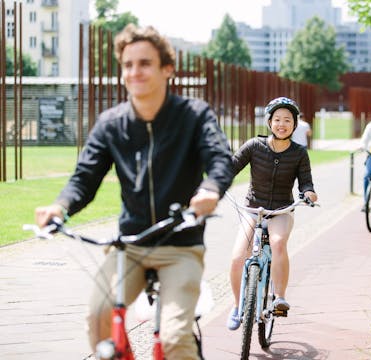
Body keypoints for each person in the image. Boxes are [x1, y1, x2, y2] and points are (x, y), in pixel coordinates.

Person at [34, 24, 233, 359]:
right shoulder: (111, 123)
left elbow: (219, 159)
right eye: (127, 65)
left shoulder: (194, 116)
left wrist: (210, 189)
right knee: (98, 318)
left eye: (144, 63)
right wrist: (60, 206)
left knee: (173, 338)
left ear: (166, 69)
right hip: (130, 247)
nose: (134, 72)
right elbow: (85, 177)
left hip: (180, 246)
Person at [226, 96, 318, 330]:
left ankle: (279, 298)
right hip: (253, 209)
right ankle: (237, 308)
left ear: (295, 125)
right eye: (277, 119)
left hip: (281, 210)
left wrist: (309, 193)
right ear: (269, 122)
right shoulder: (254, 146)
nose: (282, 124)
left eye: (287, 120)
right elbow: (231, 167)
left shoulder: (299, 153)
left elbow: (306, 183)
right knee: (238, 258)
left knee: (277, 244)